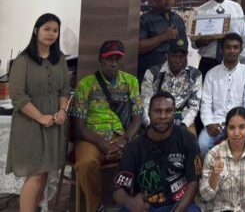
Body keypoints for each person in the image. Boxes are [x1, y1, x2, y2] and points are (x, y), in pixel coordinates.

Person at [6, 13, 71, 212]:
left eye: (55, 30)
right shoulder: (23, 60)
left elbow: (65, 89)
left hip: (54, 124)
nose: (51, 34)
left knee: (44, 174)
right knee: (35, 174)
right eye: (46, 29)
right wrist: (40, 117)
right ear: (36, 31)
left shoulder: (60, 59)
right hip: (30, 123)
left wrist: (62, 111)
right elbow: (18, 96)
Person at [71, 40, 143, 212]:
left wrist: (125, 139)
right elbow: (79, 126)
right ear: (100, 60)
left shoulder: (131, 82)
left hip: (121, 136)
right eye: (109, 59)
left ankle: (139, 205)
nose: (113, 63)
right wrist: (101, 143)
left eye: (117, 59)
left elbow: (137, 118)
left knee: (146, 156)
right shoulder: (86, 84)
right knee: (86, 163)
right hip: (92, 137)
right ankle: (96, 207)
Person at [113, 92, 202, 212]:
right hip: (146, 206)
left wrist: (178, 210)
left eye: (168, 111)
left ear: (174, 113)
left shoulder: (188, 140)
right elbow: (118, 189)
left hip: (178, 204)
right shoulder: (134, 147)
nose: (163, 116)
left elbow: (193, 182)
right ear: (149, 113)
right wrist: (130, 202)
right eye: (158, 111)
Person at [199, 33, 245, 156]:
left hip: (240, 123)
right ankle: (208, 169)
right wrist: (208, 124)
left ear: (241, 50)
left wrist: (237, 124)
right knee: (202, 144)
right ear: (221, 50)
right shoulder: (211, 74)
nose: (232, 51)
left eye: (235, 47)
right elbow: (205, 103)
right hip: (216, 123)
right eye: (228, 47)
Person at [200, 107, 245, 212]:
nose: (236, 133)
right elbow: (206, 197)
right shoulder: (213, 155)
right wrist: (215, 174)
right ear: (226, 128)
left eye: (242, 127)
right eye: (231, 128)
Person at [141, 37, 202, 134]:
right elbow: (145, 103)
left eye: (181, 56)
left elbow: (194, 106)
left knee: (192, 139)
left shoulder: (195, 75)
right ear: (167, 55)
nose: (178, 60)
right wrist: (151, 125)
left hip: (183, 119)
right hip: (158, 118)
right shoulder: (153, 73)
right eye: (174, 56)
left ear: (186, 55)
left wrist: (183, 126)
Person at [193, 0, 245, 77]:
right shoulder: (201, 11)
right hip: (208, 61)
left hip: (232, 60)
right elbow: (194, 43)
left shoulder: (236, 8)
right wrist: (201, 41)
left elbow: (241, 35)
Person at [139, 0, 188, 83]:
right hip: (151, 76)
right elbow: (138, 47)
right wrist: (163, 37)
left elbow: (184, 47)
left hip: (175, 76)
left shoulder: (178, 19)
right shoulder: (145, 19)